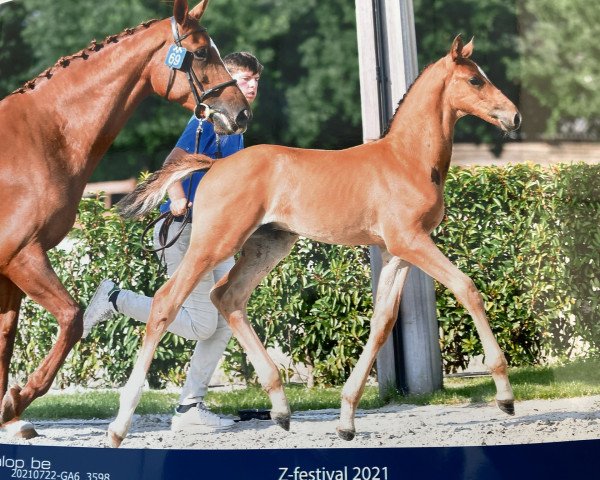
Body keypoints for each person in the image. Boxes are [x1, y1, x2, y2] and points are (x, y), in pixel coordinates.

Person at [83, 52, 263, 432]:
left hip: (215, 237)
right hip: (185, 233)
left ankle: (190, 408)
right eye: (244, 79)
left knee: (228, 318)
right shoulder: (207, 119)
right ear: (225, 79)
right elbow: (171, 164)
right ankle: (115, 299)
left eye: (254, 80)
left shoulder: (236, 128)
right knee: (201, 326)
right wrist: (178, 197)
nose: (251, 86)